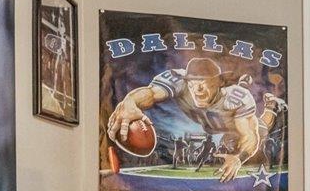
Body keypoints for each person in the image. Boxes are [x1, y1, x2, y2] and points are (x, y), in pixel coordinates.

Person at [106, 55, 261, 182]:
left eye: (203, 82)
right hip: (207, 125)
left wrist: (239, 158)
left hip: (231, 128)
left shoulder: (236, 98)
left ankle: (271, 107)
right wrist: (130, 101)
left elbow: (250, 136)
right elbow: (151, 93)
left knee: (261, 129)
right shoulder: (179, 81)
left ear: (219, 82)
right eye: (192, 82)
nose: (197, 89)